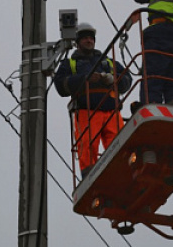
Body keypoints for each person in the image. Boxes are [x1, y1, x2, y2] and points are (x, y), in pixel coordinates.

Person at [54, 22, 131, 174]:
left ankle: (121, 173)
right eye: (85, 38)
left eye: (91, 38)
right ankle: (89, 176)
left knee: (119, 145)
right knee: (87, 146)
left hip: (111, 111)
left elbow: (127, 80)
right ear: (78, 42)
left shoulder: (108, 62)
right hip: (86, 111)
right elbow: (61, 86)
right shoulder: (70, 64)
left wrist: (113, 79)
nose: (89, 40)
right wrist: (85, 79)